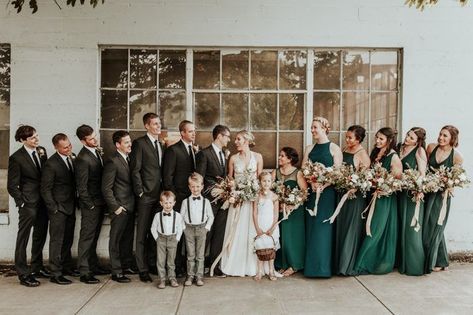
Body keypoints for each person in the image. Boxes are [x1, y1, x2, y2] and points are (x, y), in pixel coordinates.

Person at [355, 127, 402, 275]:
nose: (377, 141)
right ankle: (369, 260)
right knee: (368, 228)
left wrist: (385, 188)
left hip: (384, 199)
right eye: (377, 138)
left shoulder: (394, 157)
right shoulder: (376, 152)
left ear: (389, 140)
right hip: (372, 195)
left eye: (381, 139)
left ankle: (365, 263)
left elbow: (398, 181)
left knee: (375, 228)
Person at [7, 125, 50, 287]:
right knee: (23, 237)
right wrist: (22, 202)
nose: (36, 140)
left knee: (40, 234)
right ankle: (23, 273)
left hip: (43, 202)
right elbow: (12, 186)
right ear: (22, 140)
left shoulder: (42, 151)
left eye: (37, 136)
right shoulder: (16, 158)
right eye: (32, 138)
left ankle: (37, 267)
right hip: (28, 203)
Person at [302, 117, 342, 278]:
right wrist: (311, 181)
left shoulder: (334, 148)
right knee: (312, 228)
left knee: (323, 228)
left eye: (315, 127)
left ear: (325, 128)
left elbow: (338, 172)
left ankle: (323, 268)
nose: (312, 130)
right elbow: (304, 167)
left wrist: (324, 185)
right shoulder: (309, 148)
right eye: (311, 128)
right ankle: (311, 268)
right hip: (312, 193)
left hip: (327, 194)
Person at [220, 130, 263, 277]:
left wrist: (254, 194)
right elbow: (230, 180)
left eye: (238, 139)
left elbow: (259, 180)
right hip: (237, 201)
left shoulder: (258, 157)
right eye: (235, 139)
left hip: (251, 201)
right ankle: (233, 264)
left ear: (247, 140)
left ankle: (252, 265)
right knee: (235, 230)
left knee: (250, 231)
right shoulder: (233, 158)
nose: (235, 142)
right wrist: (233, 192)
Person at [423, 125, 463, 273]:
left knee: (436, 226)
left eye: (445, 136)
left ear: (452, 138)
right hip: (427, 192)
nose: (441, 138)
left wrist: (449, 184)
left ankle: (434, 261)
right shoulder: (431, 147)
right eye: (440, 134)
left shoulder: (457, 156)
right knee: (427, 226)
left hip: (441, 197)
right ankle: (442, 260)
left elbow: (456, 178)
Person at [130, 113, 164, 282]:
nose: (159, 126)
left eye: (159, 123)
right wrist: (140, 192)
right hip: (145, 196)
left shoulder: (160, 144)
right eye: (155, 124)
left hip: (159, 197)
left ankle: (151, 264)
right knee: (142, 233)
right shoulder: (140, 144)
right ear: (147, 126)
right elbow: (135, 169)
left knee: (154, 232)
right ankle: (142, 269)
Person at [41, 133, 78, 285]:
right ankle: (55, 273)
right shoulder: (51, 164)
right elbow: (45, 189)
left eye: (69, 145)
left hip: (70, 206)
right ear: (56, 147)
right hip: (58, 209)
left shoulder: (71, 158)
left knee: (68, 238)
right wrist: (53, 208)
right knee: (57, 240)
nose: (69, 148)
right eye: (65, 147)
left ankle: (66, 267)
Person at [334, 125, 370, 276]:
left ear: (359, 139)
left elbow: (365, 178)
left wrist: (355, 186)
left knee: (351, 228)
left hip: (354, 197)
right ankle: (338, 263)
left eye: (350, 137)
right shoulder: (344, 150)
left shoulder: (363, 155)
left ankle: (347, 265)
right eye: (346, 137)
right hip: (341, 193)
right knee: (341, 227)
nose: (347, 140)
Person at [195, 124, 231, 277]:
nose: (229, 139)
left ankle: (215, 266)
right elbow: (200, 178)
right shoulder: (204, 154)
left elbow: (223, 177)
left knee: (219, 233)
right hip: (209, 200)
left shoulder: (224, 154)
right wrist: (212, 191)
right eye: (227, 136)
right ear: (219, 136)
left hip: (223, 200)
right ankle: (199, 266)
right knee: (207, 233)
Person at [75, 125, 108, 284]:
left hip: (100, 202)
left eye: (95, 136)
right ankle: (84, 271)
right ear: (83, 141)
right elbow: (81, 187)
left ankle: (93, 265)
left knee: (94, 236)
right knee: (87, 237)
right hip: (91, 205)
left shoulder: (95, 152)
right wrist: (90, 205)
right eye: (91, 139)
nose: (95, 140)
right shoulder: (82, 159)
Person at [163, 120, 197, 276]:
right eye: (190, 131)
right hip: (178, 200)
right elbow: (167, 177)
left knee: (186, 234)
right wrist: (174, 199)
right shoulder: (173, 150)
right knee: (175, 234)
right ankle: (174, 267)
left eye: (194, 131)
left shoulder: (193, 150)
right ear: (182, 133)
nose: (193, 134)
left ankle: (183, 265)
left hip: (189, 200)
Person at [102, 130, 135, 283]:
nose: (130, 144)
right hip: (120, 208)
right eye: (126, 142)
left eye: (130, 141)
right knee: (115, 239)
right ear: (118, 145)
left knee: (127, 239)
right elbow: (106, 188)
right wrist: (116, 207)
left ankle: (125, 265)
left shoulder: (128, 159)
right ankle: (116, 271)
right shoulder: (113, 161)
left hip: (130, 206)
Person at [272, 147, 307, 277]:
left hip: (294, 211)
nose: (279, 158)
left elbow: (304, 192)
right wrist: (278, 203)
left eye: (282, 156)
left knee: (293, 237)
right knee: (281, 236)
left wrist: (293, 204)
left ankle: (294, 264)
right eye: (279, 155)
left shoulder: (298, 173)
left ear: (289, 159)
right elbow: (270, 190)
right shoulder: (275, 172)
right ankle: (282, 263)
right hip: (280, 210)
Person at [397, 127, 428, 276]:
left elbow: (422, 174)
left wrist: (417, 187)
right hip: (399, 193)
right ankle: (401, 263)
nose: (407, 139)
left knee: (411, 230)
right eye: (407, 135)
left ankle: (415, 266)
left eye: (411, 138)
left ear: (418, 141)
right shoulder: (400, 148)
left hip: (412, 194)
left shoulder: (419, 151)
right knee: (401, 227)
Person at [181, 173, 214, 287]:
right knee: (190, 254)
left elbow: (211, 216)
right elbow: (181, 217)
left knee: (200, 254)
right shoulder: (185, 202)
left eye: (197, 186)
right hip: (189, 229)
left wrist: (206, 228)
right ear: (189, 187)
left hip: (201, 229)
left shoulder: (206, 202)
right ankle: (190, 275)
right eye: (193, 186)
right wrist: (184, 229)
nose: (195, 189)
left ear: (202, 186)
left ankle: (199, 276)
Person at [151, 191, 186, 289]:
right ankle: (162, 279)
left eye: (170, 203)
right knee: (161, 261)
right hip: (161, 239)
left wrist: (177, 239)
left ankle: (172, 278)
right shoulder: (157, 216)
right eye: (165, 203)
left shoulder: (178, 216)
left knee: (171, 261)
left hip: (172, 239)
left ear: (174, 203)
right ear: (161, 203)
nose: (168, 205)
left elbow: (181, 227)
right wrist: (157, 238)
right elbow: (153, 228)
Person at [253, 172, 279, 281]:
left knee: (270, 248)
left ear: (272, 182)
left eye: (269, 181)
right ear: (260, 182)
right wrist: (257, 228)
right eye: (264, 181)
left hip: (270, 224)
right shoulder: (257, 196)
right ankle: (259, 271)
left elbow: (276, 214)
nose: (266, 183)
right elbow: (254, 213)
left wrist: (272, 228)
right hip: (260, 223)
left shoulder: (274, 196)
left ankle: (271, 271)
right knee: (260, 247)